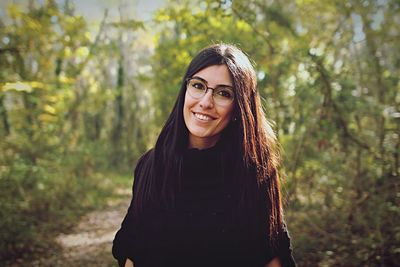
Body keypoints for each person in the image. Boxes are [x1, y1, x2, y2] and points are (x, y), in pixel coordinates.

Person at [112, 43, 296, 267]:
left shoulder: (255, 173)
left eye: (223, 93)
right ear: (185, 90)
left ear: (240, 107)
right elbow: (132, 248)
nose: (206, 102)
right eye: (198, 86)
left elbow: (272, 257)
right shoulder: (151, 164)